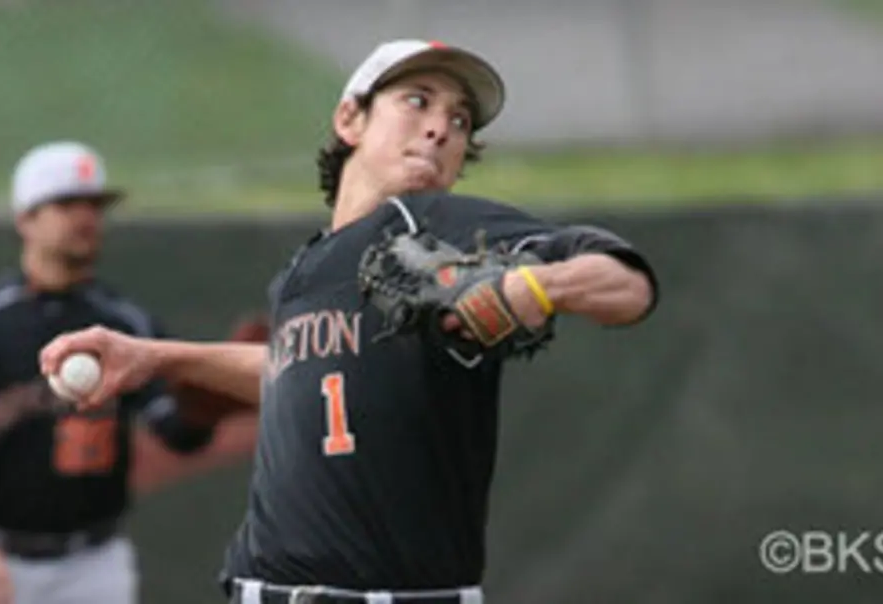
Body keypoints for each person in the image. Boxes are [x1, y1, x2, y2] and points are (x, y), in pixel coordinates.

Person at [39, 39, 660, 604]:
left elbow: (628, 285)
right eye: (417, 101)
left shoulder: (438, 227)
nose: (441, 126)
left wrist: (540, 284)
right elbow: (300, 377)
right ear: (349, 119)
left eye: (459, 119)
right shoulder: (304, 269)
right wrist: (156, 357)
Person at [0, 141, 227, 604]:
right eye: (66, 203)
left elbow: (175, 433)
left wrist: (205, 408)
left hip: (93, 564)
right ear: (25, 219)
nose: (85, 217)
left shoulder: (127, 324)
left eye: (95, 205)